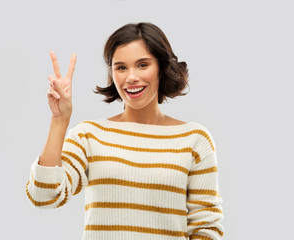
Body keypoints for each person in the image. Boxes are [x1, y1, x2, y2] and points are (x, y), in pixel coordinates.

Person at [25, 22, 224, 240]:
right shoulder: (89, 136)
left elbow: (206, 228)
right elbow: (43, 196)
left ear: (161, 67)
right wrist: (59, 120)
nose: (131, 77)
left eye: (142, 65)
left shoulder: (195, 140)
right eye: (121, 67)